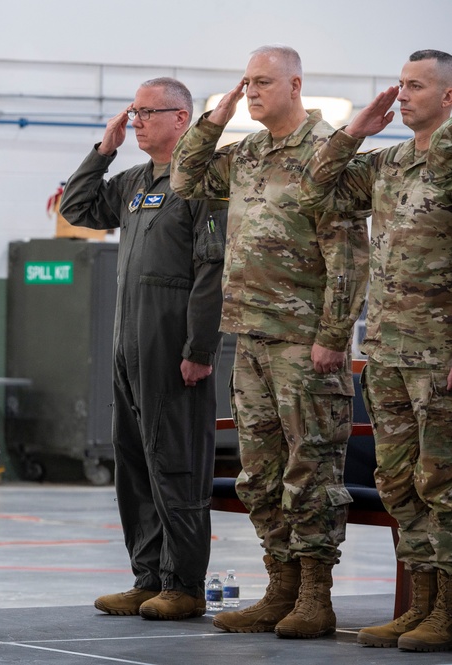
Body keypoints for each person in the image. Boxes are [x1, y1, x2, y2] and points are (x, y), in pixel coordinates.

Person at [170, 45, 370, 639]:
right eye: (246, 83)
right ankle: (279, 587)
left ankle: (315, 595)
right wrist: (214, 117)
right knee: (260, 474)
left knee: (311, 469)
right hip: (250, 337)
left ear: (296, 84)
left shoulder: (325, 154)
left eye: (262, 83)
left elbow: (349, 255)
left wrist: (334, 336)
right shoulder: (251, 152)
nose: (252, 92)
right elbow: (185, 179)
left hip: (305, 343)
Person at [298, 50, 452, 652]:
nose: (402, 94)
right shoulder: (388, 162)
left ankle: (448, 609)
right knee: (399, 482)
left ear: (448, 97)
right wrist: (353, 133)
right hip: (387, 351)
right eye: (400, 84)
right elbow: (315, 193)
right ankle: (422, 606)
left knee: (443, 482)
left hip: (439, 352)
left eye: (416, 86)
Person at [58, 77, 226, 621]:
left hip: (173, 344)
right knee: (133, 464)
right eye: (133, 112)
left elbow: (211, 271)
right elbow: (79, 209)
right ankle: (147, 576)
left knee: (176, 464)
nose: (137, 121)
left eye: (148, 113)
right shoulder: (133, 180)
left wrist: (200, 347)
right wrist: (101, 152)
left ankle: (184, 584)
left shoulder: (202, 181)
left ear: (182, 119)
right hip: (128, 346)